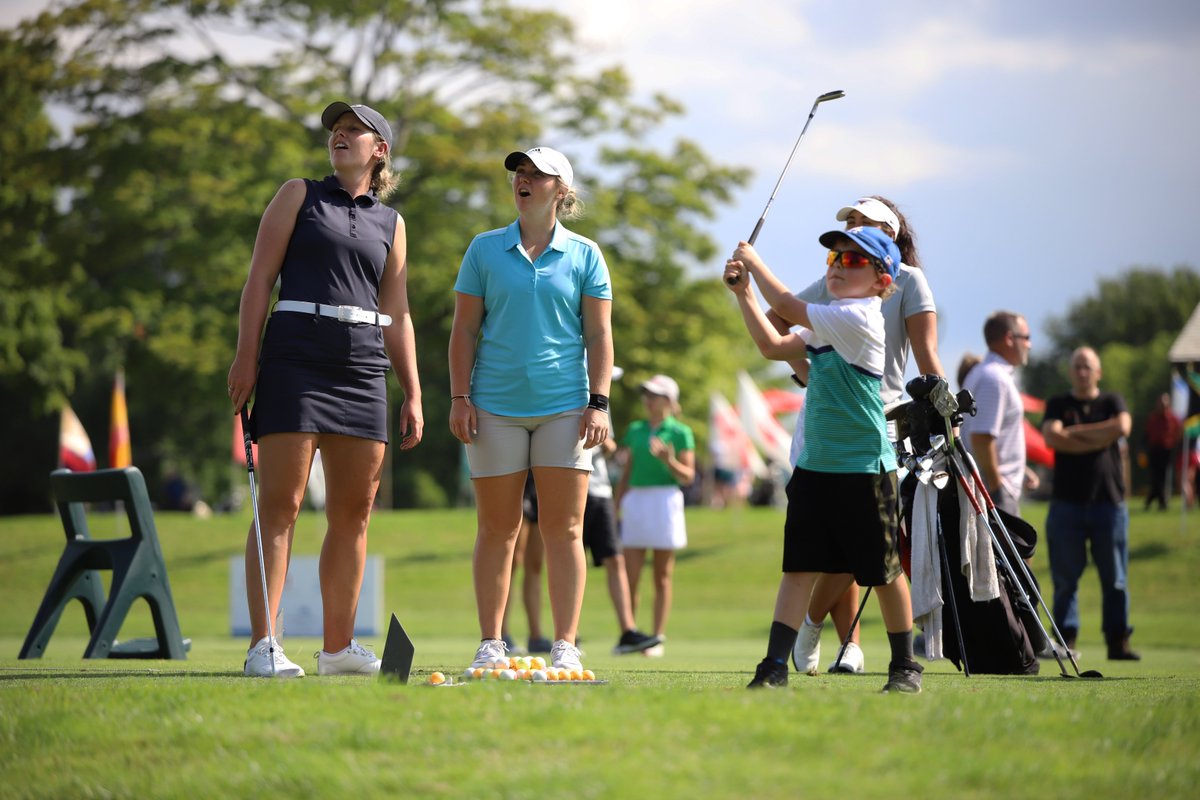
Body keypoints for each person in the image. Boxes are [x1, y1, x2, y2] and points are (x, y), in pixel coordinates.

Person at [228, 101, 423, 678]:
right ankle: (264, 644)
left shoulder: (393, 223)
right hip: (295, 357)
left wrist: (412, 389)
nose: (340, 135)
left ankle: (338, 648)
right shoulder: (297, 195)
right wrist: (246, 356)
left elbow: (399, 312)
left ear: (379, 150)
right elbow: (259, 279)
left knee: (354, 511)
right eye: (335, 130)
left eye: (354, 131)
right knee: (281, 504)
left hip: (363, 368)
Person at [750, 197, 944, 676]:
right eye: (834, 257)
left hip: (864, 466)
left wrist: (753, 264)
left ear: (883, 281)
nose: (838, 266)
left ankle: (904, 666)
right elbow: (772, 344)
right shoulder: (831, 317)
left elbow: (789, 307)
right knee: (798, 568)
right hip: (818, 463)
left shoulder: (859, 318)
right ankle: (774, 665)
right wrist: (741, 296)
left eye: (853, 259)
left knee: (882, 572)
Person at [449, 146, 612, 674]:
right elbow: (465, 330)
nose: (523, 180)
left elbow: (598, 334)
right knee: (498, 529)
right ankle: (491, 642)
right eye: (520, 173)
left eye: (536, 176)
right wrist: (459, 396)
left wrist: (599, 402)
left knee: (564, 530)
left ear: (560, 192)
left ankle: (565, 643)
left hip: (565, 407)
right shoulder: (484, 249)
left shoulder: (586, 254)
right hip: (493, 406)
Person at [1041, 347, 1138, 660]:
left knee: (1116, 578)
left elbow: (1122, 427)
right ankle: (1066, 641)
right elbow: (1052, 437)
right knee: (1065, 579)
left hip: (1108, 504)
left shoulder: (1112, 401)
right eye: (1077, 366)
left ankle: (1117, 642)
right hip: (1066, 504)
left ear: (1099, 372)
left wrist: (1075, 435)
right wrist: (1102, 436)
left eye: (1088, 367)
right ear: (1070, 372)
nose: (1082, 372)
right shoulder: (1058, 403)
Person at [613, 375, 695, 655]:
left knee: (661, 576)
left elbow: (687, 476)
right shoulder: (635, 430)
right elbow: (626, 472)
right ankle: (631, 634)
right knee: (630, 574)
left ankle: (657, 638)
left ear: (669, 401)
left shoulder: (681, 432)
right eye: (646, 395)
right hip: (636, 500)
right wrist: (616, 504)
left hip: (665, 500)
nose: (648, 400)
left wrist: (668, 461)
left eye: (655, 395)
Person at [959, 311, 1036, 516]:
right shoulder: (994, 378)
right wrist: (997, 490)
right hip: (994, 495)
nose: (1029, 345)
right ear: (1010, 338)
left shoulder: (987, 374)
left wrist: (1021, 471)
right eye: (1026, 338)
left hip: (991, 490)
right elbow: (981, 439)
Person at [1144, 392, 1181, 511]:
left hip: (1167, 450)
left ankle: (1156, 501)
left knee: (1163, 477)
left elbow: (1178, 433)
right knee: (1155, 476)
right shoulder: (1153, 418)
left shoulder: (1173, 418)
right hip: (1154, 450)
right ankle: (1159, 501)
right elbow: (1147, 434)